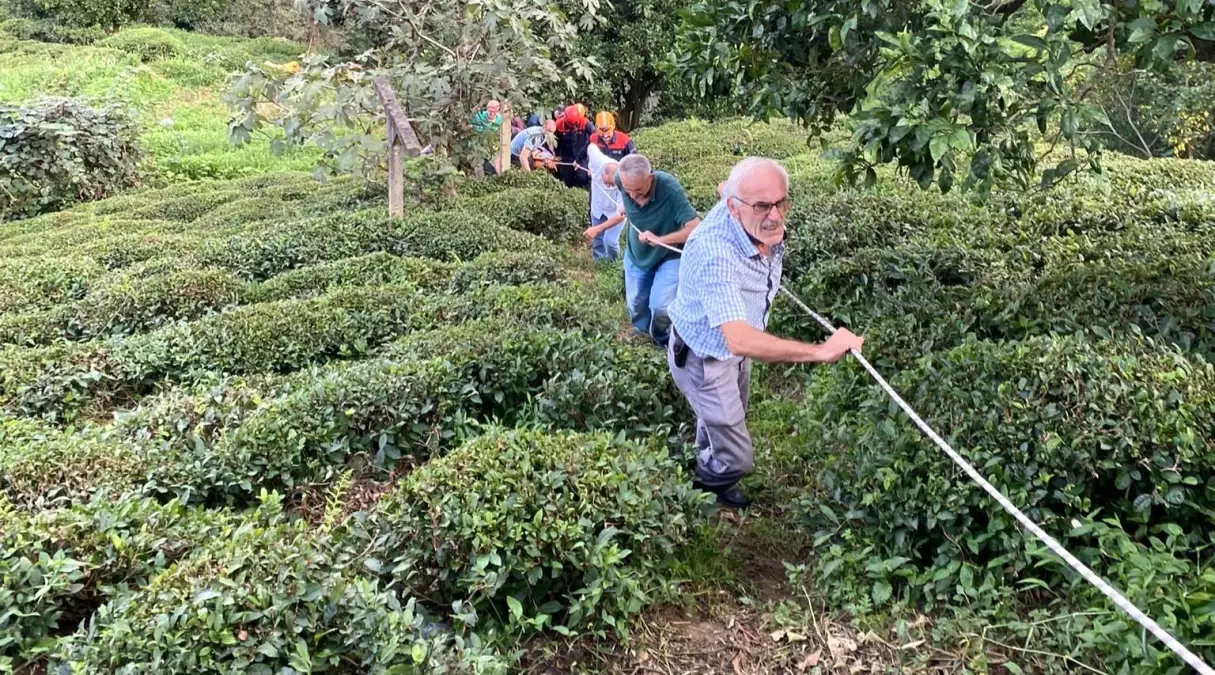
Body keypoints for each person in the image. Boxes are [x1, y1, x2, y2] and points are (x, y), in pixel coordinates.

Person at [667, 157, 865, 509]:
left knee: (727, 419)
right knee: (739, 455)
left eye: (781, 202)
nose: (774, 215)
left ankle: (708, 459)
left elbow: (729, 192)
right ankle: (706, 482)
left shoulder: (739, 208)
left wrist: (741, 194)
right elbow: (738, 338)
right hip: (705, 356)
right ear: (734, 207)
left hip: (735, 353)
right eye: (761, 206)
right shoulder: (717, 254)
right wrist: (821, 351)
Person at [616, 153, 700, 346]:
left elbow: (695, 227)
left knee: (661, 306)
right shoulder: (620, 180)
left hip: (668, 255)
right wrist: (623, 205)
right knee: (636, 301)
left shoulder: (669, 188)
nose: (633, 196)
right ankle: (641, 329)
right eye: (628, 190)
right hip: (637, 254)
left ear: (650, 178)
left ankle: (661, 339)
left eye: (638, 190)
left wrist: (661, 239)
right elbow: (611, 176)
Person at [583, 144, 626, 261]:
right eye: (609, 182)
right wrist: (589, 166)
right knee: (598, 240)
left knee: (610, 241)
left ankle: (614, 262)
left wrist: (596, 229)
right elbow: (591, 146)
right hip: (597, 207)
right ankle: (599, 261)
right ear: (604, 173)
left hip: (614, 213)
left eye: (612, 184)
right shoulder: (598, 161)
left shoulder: (624, 183)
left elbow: (620, 216)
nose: (609, 186)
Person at [555, 104, 595, 189]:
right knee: (566, 181)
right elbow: (555, 142)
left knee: (582, 178)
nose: (574, 127)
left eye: (576, 124)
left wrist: (584, 154)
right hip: (566, 157)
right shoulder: (558, 125)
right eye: (571, 125)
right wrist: (556, 155)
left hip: (582, 156)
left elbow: (594, 136)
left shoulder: (585, 122)